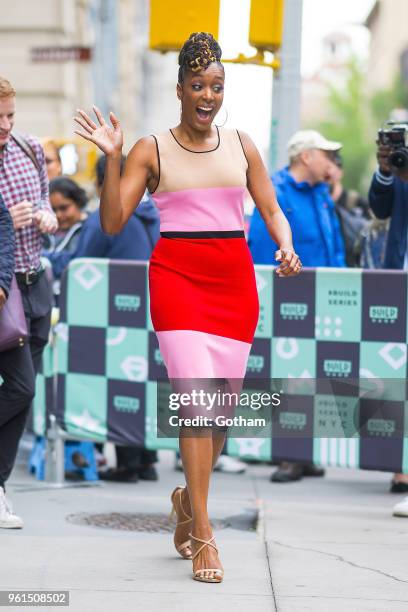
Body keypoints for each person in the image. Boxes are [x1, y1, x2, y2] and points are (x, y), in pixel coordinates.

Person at [74, 32, 301, 583]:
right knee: (197, 401)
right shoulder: (151, 149)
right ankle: (203, 532)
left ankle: (184, 501)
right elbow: (110, 222)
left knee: (218, 417)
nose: (207, 95)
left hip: (233, 284)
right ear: (179, 89)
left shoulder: (243, 144)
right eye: (197, 85)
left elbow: (270, 207)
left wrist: (286, 243)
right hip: (177, 278)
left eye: (216, 86)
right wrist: (112, 158)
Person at [249, 129, 345, 484]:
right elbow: (260, 246)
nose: (331, 162)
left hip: (324, 296)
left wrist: (339, 282)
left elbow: (332, 240)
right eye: (326, 154)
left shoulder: (321, 192)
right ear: (306, 156)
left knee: (314, 376)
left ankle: (304, 453)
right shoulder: (274, 189)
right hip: (287, 297)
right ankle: (289, 455)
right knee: (287, 375)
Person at [74, 154, 160, 482]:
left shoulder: (105, 218)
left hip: (115, 317)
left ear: (102, 183)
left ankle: (127, 463)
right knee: (140, 384)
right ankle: (145, 460)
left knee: (118, 386)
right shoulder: (154, 213)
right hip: (153, 312)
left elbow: (80, 262)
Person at [0, 76, 57, 527]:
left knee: (22, 393)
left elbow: (46, 200)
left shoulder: (29, 148)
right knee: (22, 387)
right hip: (4, 288)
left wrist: (45, 216)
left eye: (11, 116)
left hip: (34, 282)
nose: (6, 125)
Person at [368, 134, 408, 516]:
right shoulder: (400, 167)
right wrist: (386, 169)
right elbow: (379, 208)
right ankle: (403, 468)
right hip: (400, 282)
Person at [43, 176, 88, 300]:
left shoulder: (88, 230)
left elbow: (74, 263)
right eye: (53, 209)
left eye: (64, 208)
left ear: (78, 202)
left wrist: (41, 257)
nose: (58, 215)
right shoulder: (44, 230)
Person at [328, 152, 371, 267]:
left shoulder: (357, 202)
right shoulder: (318, 205)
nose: (329, 171)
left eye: (333, 166)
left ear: (341, 171)